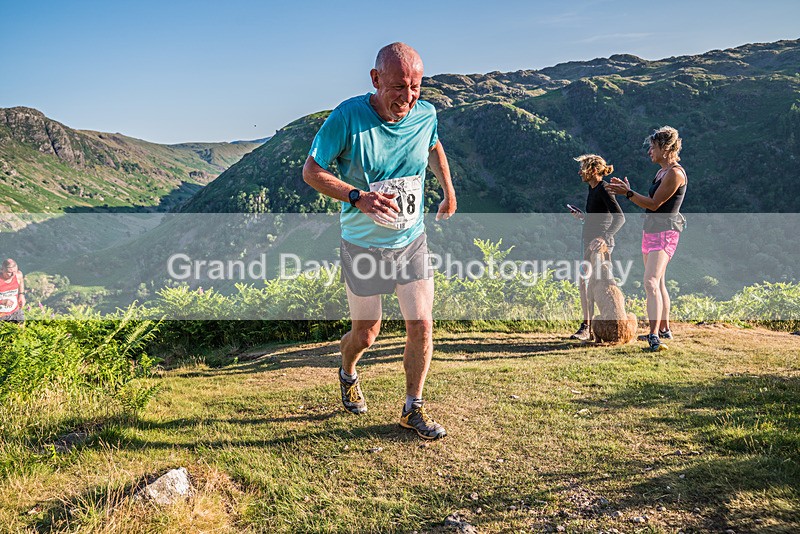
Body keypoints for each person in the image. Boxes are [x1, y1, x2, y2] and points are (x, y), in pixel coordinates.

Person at [302, 42, 457, 440]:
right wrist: (358, 197)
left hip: (411, 240)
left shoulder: (426, 114)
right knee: (367, 334)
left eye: (416, 88)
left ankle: (412, 409)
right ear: (375, 79)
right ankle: (348, 370)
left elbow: (433, 144)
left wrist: (448, 191)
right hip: (362, 245)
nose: (407, 97)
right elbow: (311, 171)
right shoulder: (347, 117)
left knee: (422, 323)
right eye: (398, 87)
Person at [606, 126, 687, 352]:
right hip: (651, 232)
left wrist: (627, 194)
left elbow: (654, 204)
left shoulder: (674, 174)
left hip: (665, 234)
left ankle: (653, 335)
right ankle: (664, 328)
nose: (650, 151)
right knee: (658, 283)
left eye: (653, 147)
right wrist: (629, 192)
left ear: (665, 148)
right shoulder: (662, 172)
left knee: (650, 282)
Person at [568, 154, 625, 341]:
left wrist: (604, 237)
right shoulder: (593, 189)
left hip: (600, 246)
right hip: (591, 243)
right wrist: (583, 217)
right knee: (585, 283)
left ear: (592, 171)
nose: (579, 172)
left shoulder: (604, 189)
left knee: (593, 284)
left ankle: (591, 327)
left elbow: (620, 217)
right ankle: (590, 327)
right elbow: (600, 218)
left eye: (582, 168)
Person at [0, 258, 26, 324]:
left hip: (15, 311)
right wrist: (2, 301)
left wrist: (21, 295)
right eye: (9, 272)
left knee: (21, 331)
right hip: (2, 314)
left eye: (14, 271)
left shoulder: (18, 275)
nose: (12, 275)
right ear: (2, 270)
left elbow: (21, 282)